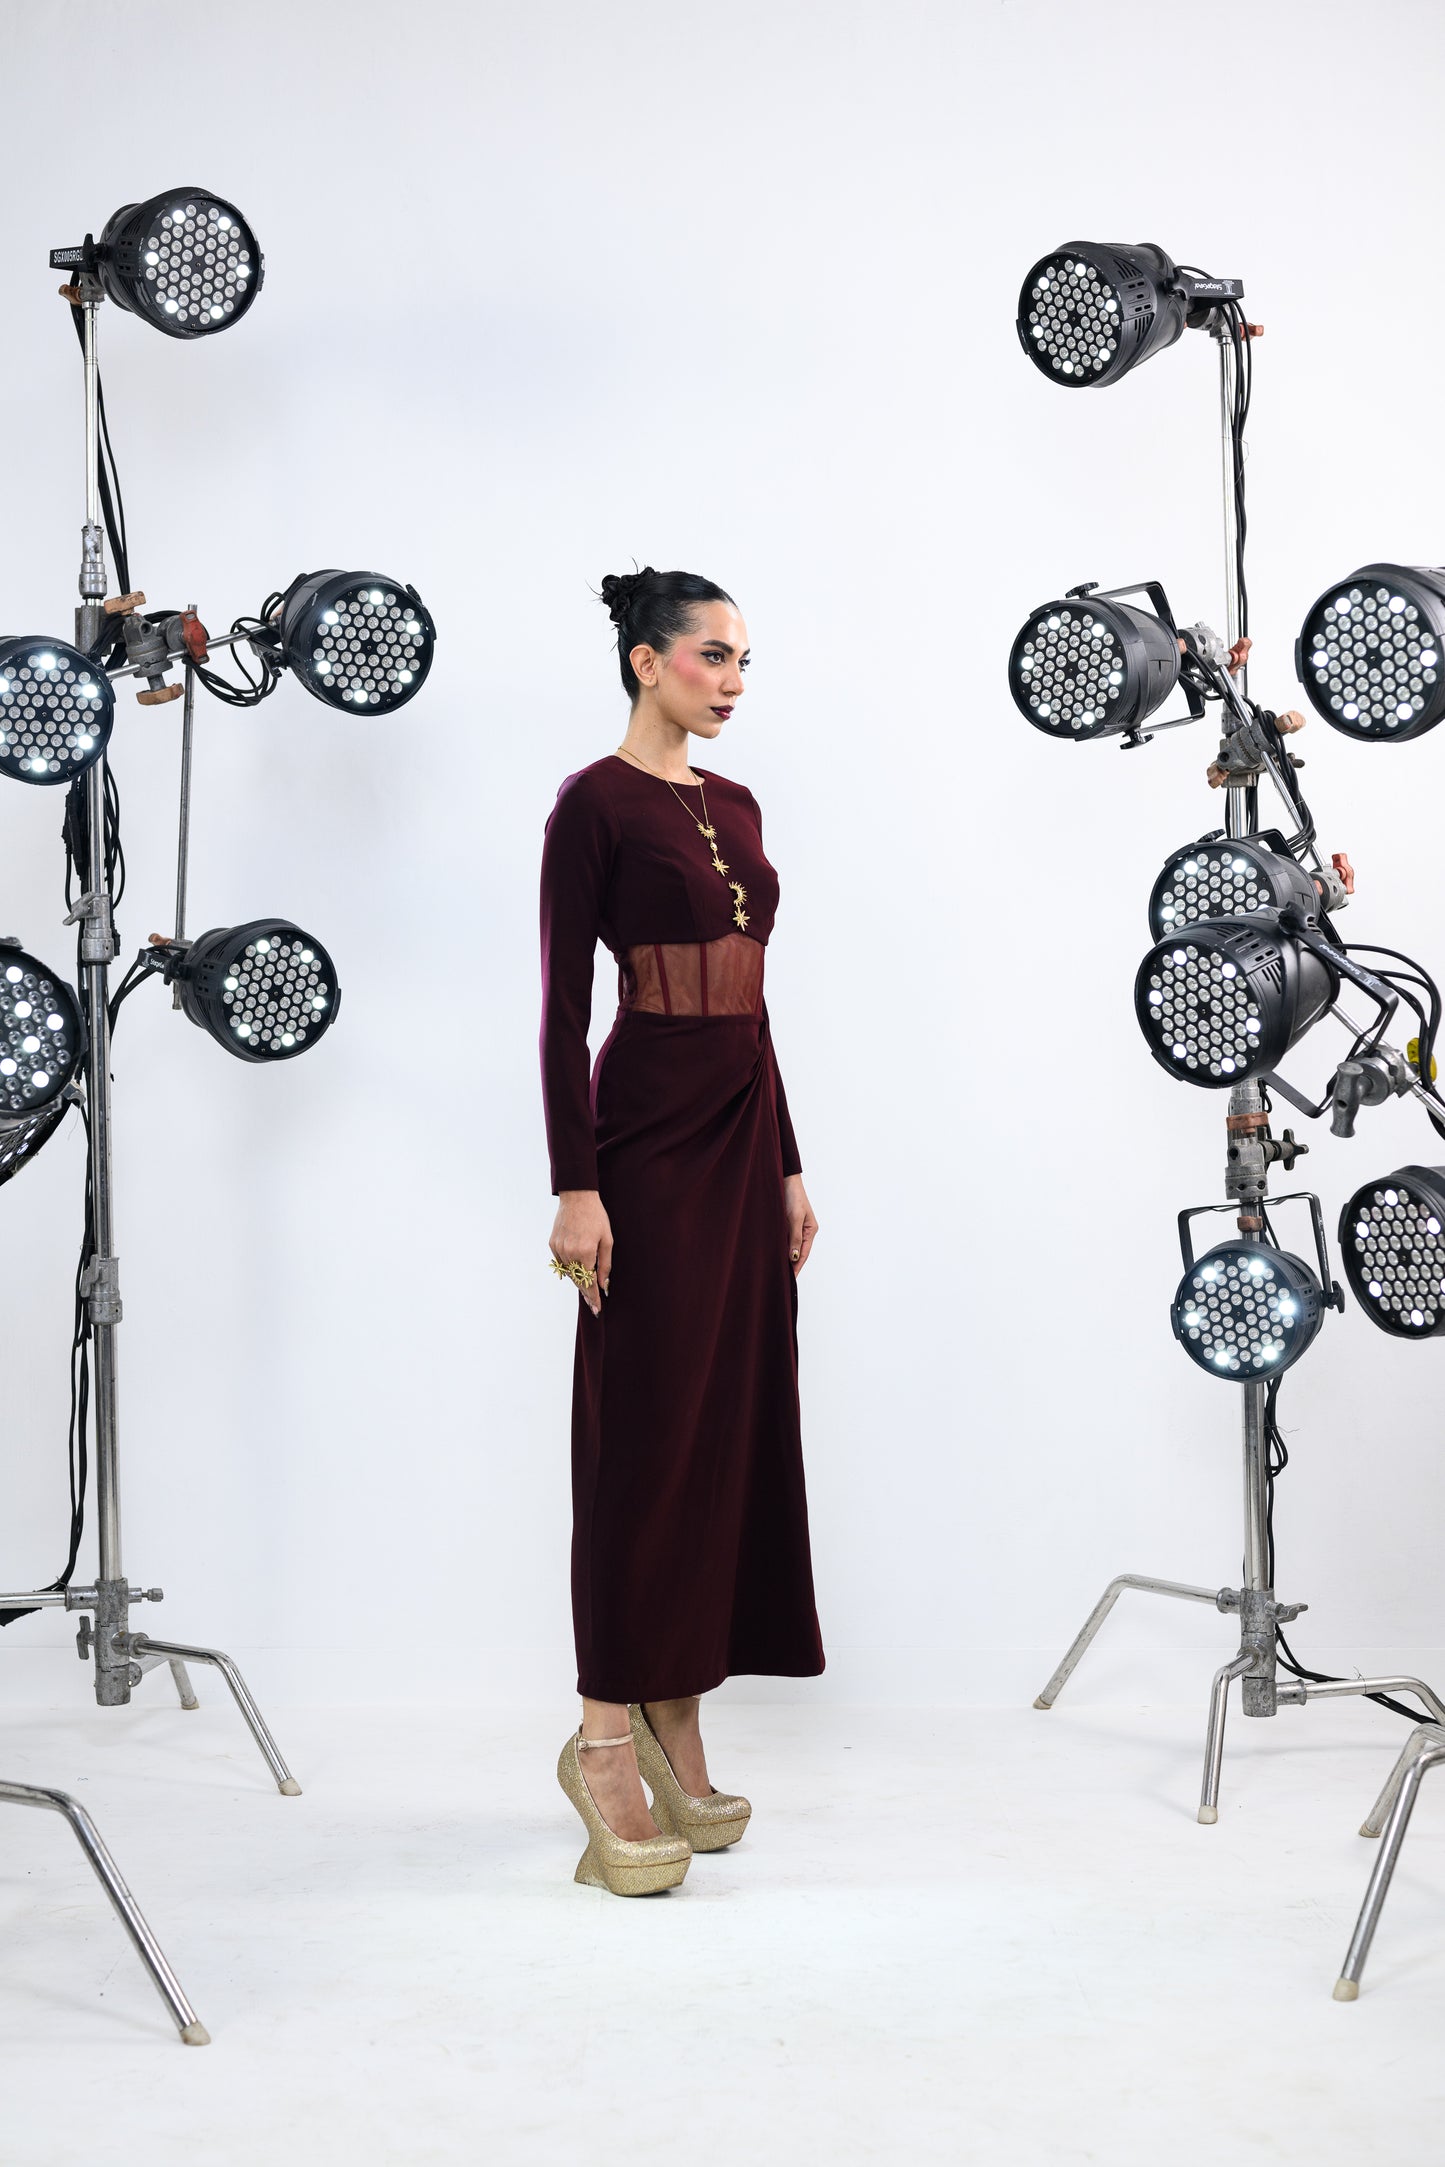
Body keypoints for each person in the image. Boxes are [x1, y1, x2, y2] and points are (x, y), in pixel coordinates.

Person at [539, 566, 824, 1896]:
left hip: (741, 1139)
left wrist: (787, 1165)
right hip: (642, 1146)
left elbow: (754, 1007)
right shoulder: (591, 804)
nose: (734, 681)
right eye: (713, 656)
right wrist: (576, 1183)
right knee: (642, 1437)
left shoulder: (739, 804)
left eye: (743, 660)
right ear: (646, 662)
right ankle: (603, 1739)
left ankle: (677, 1715)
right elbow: (559, 1012)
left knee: (725, 1429)